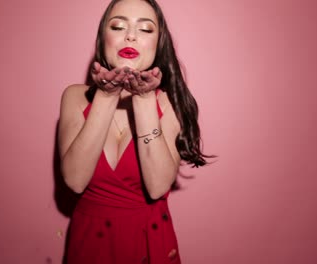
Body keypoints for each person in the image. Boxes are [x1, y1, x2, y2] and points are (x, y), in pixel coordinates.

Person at [58, 0, 211, 263]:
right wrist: (106, 97)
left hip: (149, 246)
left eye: (146, 29)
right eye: (118, 26)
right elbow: (75, 180)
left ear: (157, 43)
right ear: (103, 38)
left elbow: (157, 186)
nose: (130, 35)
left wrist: (144, 100)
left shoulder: (170, 102)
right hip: (89, 246)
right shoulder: (75, 97)